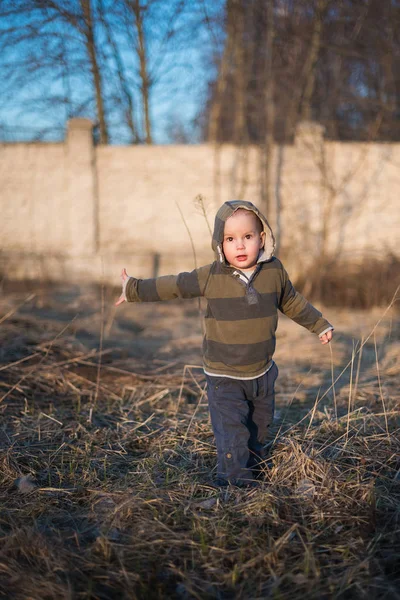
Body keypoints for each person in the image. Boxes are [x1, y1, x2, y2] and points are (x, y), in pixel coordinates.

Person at [115, 200, 333, 487]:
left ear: (262, 238)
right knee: (233, 432)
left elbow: (291, 301)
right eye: (231, 239)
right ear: (220, 243)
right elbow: (176, 285)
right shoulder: (211, 276)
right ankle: (235, 484)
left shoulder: (274, 272)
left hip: (263, 372)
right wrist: (134, 288)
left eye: (248, 237)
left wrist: (318, 324)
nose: (240, 246)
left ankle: (256, 469)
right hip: (224, 376)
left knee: (260, 429)